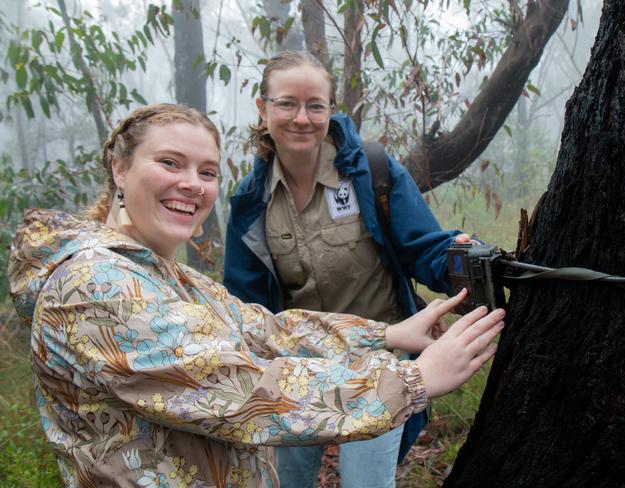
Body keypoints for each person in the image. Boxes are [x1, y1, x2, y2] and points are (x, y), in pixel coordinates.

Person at [8, 103, 504, 488]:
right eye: (170, 162)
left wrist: (387, 333)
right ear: (119, 168)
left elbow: (263, 330)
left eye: (207, 172)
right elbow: (240, 389)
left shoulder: (163, 275)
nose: (192, 184)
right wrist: (413, 380)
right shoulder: (95, 286)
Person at [223, 51, 476, 487]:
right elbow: (247, 306)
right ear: (263, 110)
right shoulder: (252, 203)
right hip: (300, 370)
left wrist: (466, 261)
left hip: (383, 359)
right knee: (287, 481)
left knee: (367, 482)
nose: (302, 118)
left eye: (315, 105)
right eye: (287, 103)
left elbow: (425, 247)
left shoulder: (368, 173)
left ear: (330, 111)